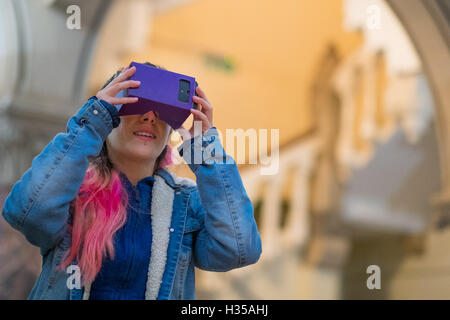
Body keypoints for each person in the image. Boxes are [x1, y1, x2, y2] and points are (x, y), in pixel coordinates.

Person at [2, 62, 262, 300]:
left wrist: (205, 152)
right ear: (108, 119)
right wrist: (91, 123)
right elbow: (27, 213)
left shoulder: (185, 206)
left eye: (162, 111)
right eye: (134, 104)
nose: (149, 117)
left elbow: (238, 249)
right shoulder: (70, 193)